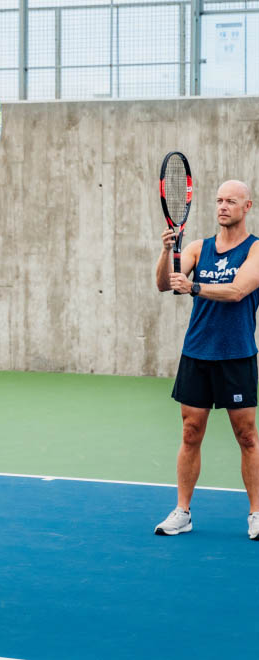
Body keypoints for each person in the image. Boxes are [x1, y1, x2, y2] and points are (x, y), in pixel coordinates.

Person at [155, 179, 259, 541]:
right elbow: (165, 284)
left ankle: (256, 513)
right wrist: (166, 252)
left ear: (247, 206)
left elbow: (237, 291)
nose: (223, 206)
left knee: (247, 436)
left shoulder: (255, 250)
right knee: (190, 432)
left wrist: (195, 287)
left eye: (231, 201)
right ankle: (182, 512)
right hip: (197, 353)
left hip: (237, 355)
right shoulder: (199, 248)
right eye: (219, 200)